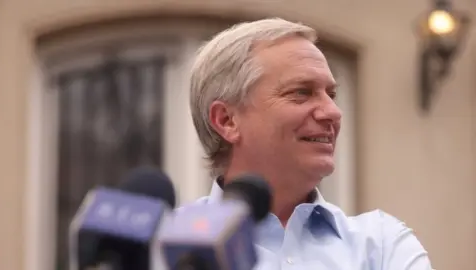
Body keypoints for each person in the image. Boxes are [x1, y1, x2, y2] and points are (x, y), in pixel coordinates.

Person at [186, 18, 433, 269]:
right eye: (301, 92)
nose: (333, 112)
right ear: (227, 120)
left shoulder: (381, 245)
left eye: (332, 95)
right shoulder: (168, 248)